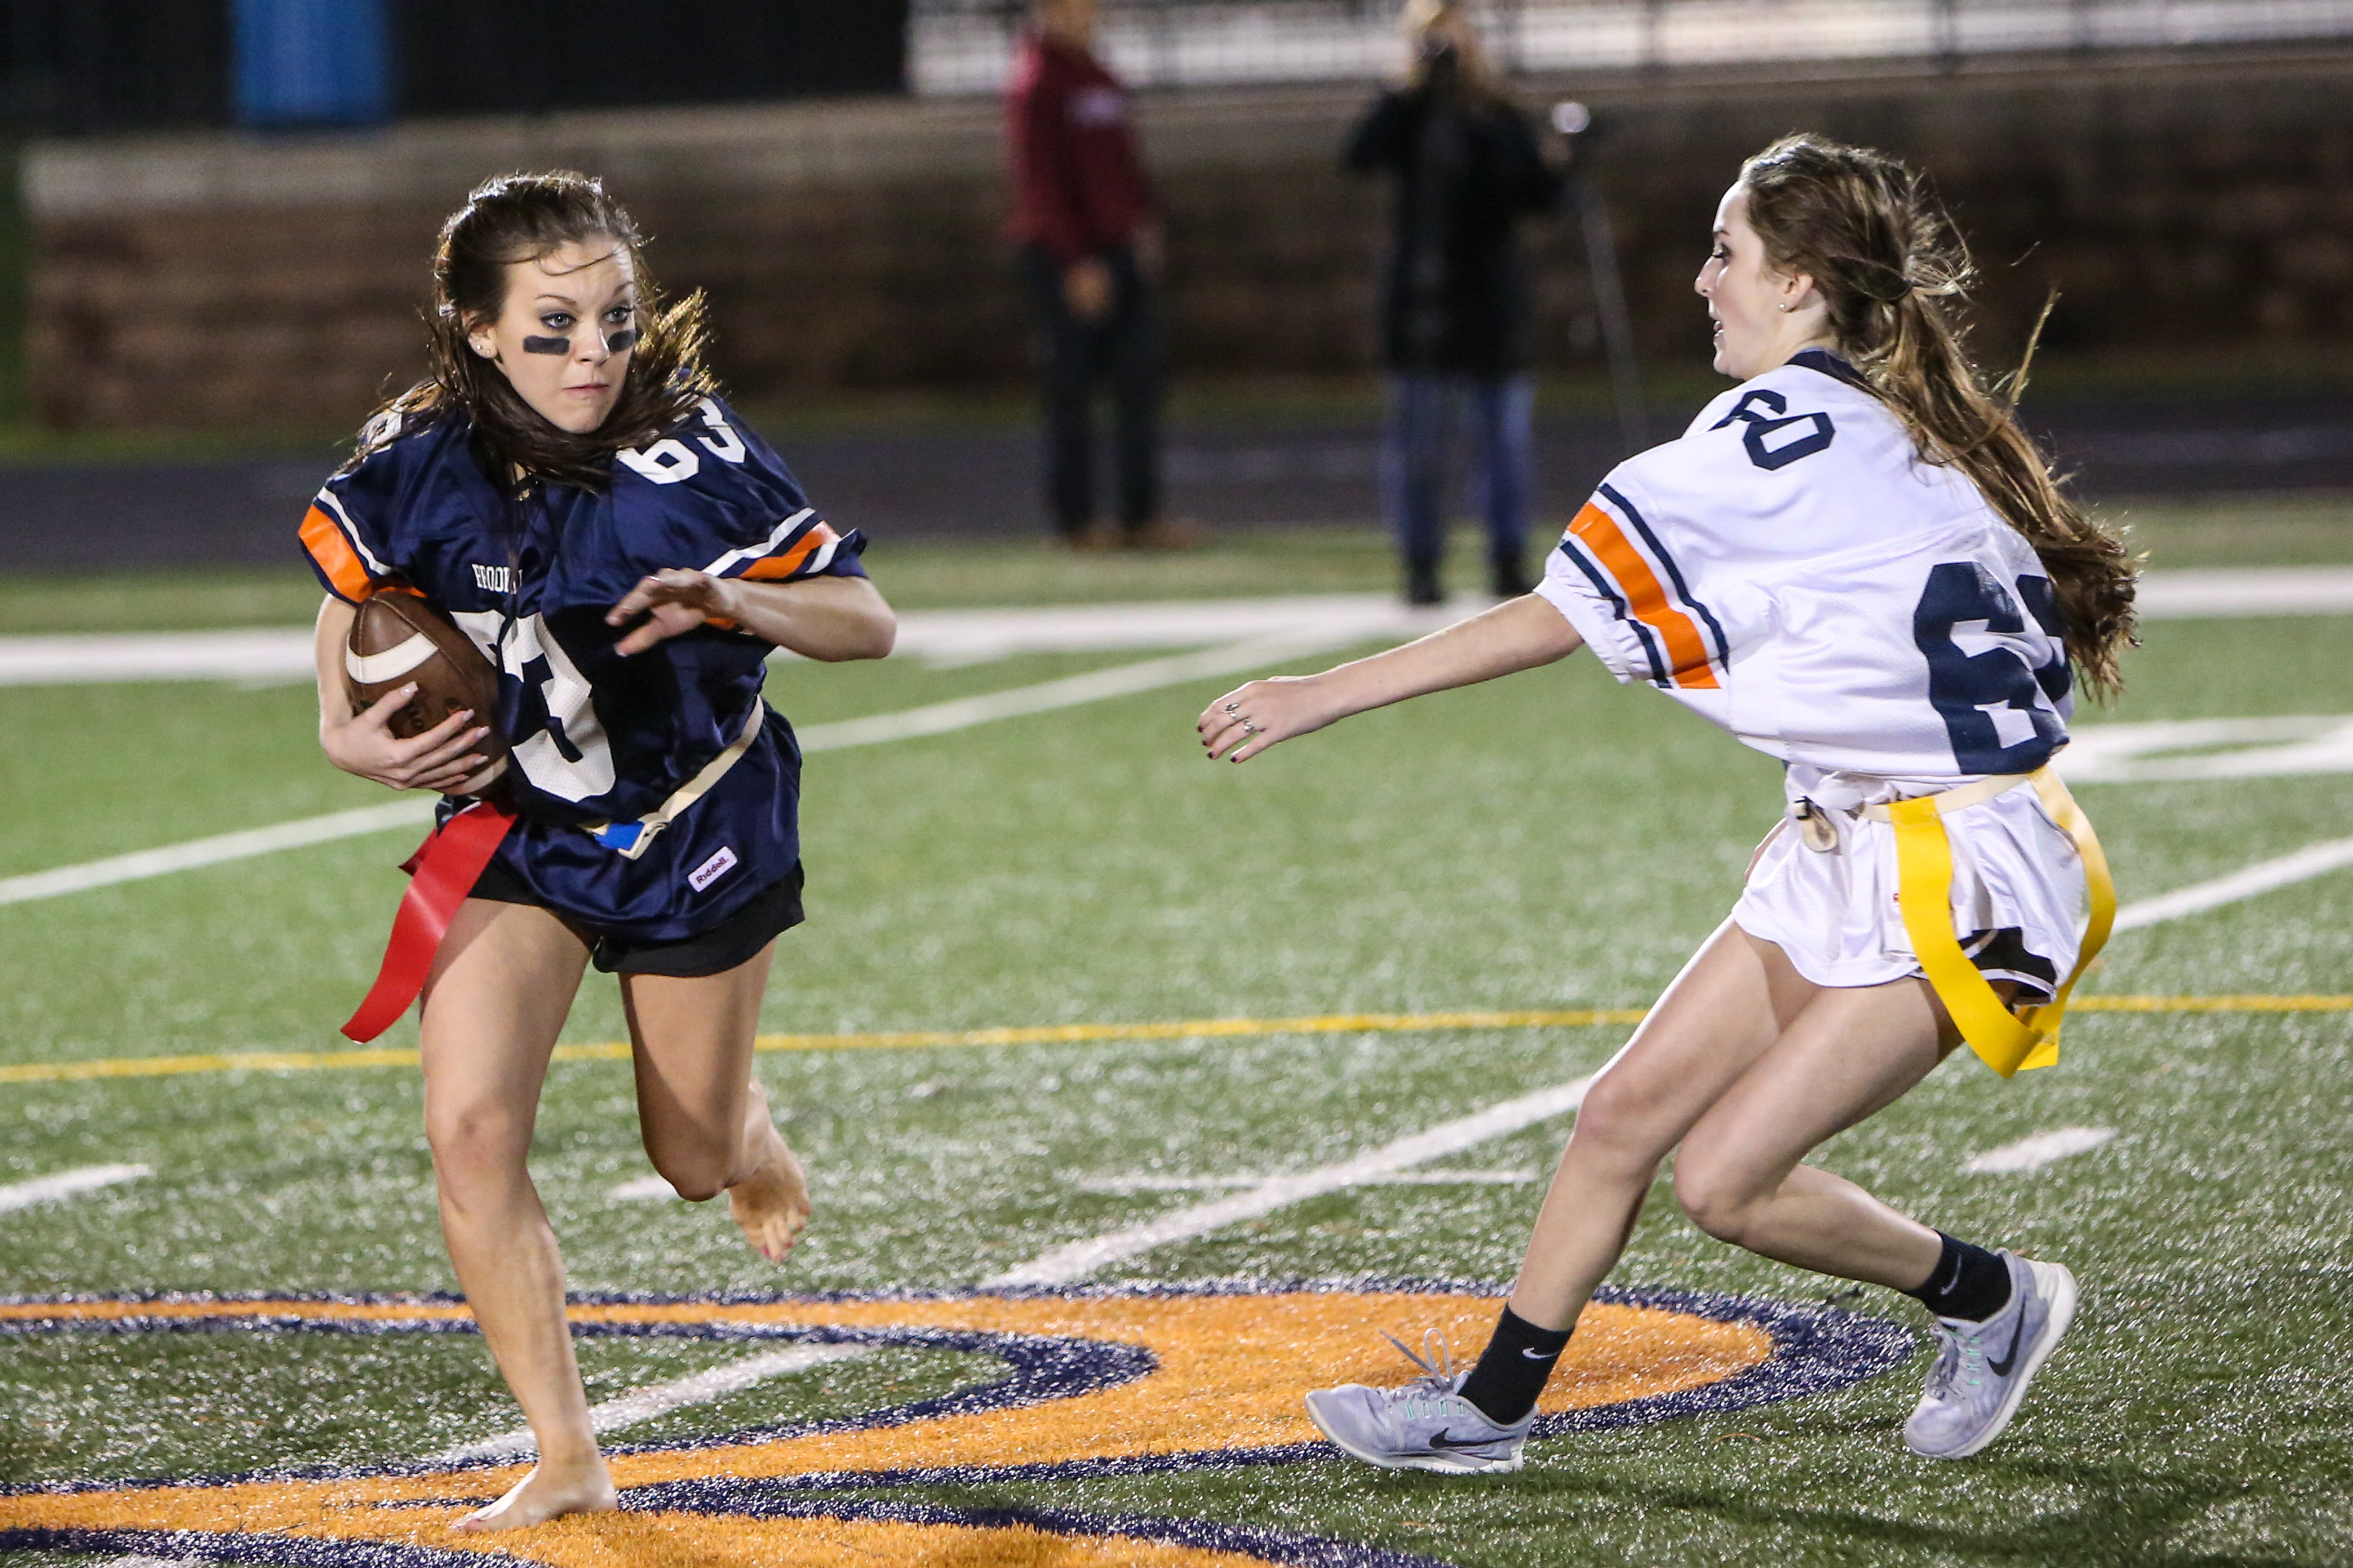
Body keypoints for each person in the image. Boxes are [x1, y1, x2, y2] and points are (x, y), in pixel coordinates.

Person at [1199, 134, 2135, 1472]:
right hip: (1865, 829)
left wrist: (1322, 691)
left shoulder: (1772, 435)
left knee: (1724, 1181)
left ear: (1802, 282)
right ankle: (1490, 1409)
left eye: (1726, 253)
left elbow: (1553, 616)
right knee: (1619, 1115)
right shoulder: (1898, 428)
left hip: (1964, 862)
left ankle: (1994, 1298)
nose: (1701, 282)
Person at [298, 172, 895, 1530]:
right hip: (512, 823)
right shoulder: (417, 449)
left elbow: (867, 617)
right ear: (479, 327)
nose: (594, 354)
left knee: (686, 1158)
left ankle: (741, 1128)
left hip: (692, 815)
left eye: (615, 321)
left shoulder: (687, 451)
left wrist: (739, 596)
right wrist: (344, 730)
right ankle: (567, 1453)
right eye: (555, 325)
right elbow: (359, 603)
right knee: (467, 1127)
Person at [1344, 0, 1563, 605]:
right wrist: (1406, 90)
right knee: (1420, 443)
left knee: (1503, 442)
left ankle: (1508, 559)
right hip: (1423, 300)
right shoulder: (1408, 112)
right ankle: (1420, 564)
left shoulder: (1498, 114)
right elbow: (1359, 155)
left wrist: (1561, 159)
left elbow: (1537, 196)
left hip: (1491, 297)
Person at [1005, 0, 1191, 550]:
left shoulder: (1101, 75)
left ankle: (1141, 513)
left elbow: (1124, 165)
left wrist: (1143, 226)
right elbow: (1040, 182)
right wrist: (1074, 260)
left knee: (1138, 385)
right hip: (1069, 258)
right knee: (1072, 392)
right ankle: (1076, 520)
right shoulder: (1036, 82)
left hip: (1119, 250)